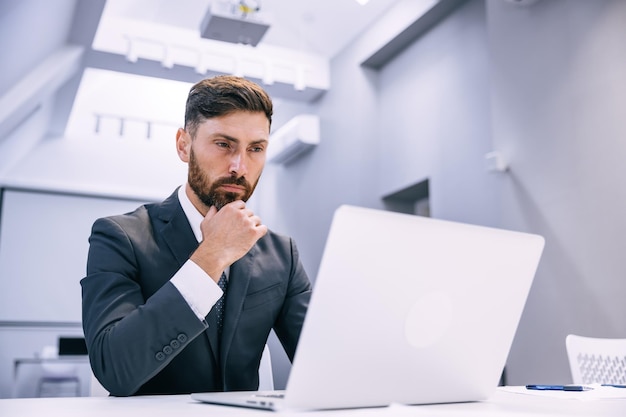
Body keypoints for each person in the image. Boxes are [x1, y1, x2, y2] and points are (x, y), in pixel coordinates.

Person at [81, 75, 312, 396]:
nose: (239, 166)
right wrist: (211, 257)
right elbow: (114, 368)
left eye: (255, 149)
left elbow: (320, 362)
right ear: (183, 145)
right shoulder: (120, 236)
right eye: (223, 144)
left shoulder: (281, 253)